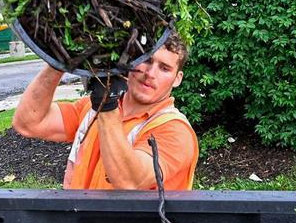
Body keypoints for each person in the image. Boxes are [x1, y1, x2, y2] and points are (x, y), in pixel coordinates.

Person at [12, 35, 198, 190]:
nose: (150, 73)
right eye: (146, 60)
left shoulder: (176, 131)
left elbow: (130, 180)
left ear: (177, 79)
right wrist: (59, 61)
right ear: (131, 61)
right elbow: (28, 123)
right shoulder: (91, 109)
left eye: (164, 68)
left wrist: (107, 104)